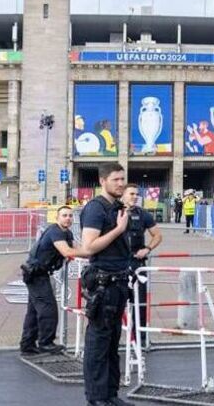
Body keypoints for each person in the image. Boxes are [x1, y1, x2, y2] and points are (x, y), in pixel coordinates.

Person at [78, 162, 133, 406]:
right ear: (102, 181)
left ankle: (110, 395)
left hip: (119, 281)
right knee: (98, 342)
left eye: (122, 179)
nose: (121, 183)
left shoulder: (119, 207)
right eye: (115, 179)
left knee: (112, 342)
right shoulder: (95, 209)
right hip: (103, 282)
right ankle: (97, 398)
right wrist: (118, 230)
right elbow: (88, 247)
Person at [20, 205, 81, 355]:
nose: (68, 218)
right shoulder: (55, 231)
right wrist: (91, 254)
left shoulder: (66, 233)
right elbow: (66, 251)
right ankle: (46, 343)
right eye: (64, 215)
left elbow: (76, 248)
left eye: (70, 216)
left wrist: (91, 252)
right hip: (36, 274)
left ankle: (27, 345)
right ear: (57, 218)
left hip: (39, 274)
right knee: (48, 308)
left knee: (34, 311)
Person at [121, 183, 161, 348]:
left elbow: (157, 235)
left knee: (140, 302)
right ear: (123, 195)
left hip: (138, 264)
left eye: (136, 194)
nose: (134, 197)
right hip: (118, 264)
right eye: (131, 194)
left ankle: (140, 338)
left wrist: (147, 249)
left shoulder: (143, 215)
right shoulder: (113, 212)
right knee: (115, 303)